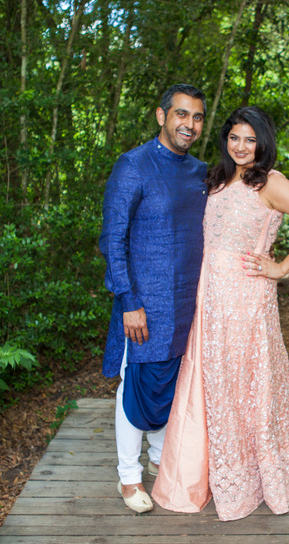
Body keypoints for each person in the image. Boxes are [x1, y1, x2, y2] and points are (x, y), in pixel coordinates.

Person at [152, 106, 289, 521]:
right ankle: (205, 471)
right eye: (235, 137)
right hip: (209, 297)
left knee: (245, 381)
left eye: (251, 139)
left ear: (263, 142)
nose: (242, 146)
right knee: (211, 382)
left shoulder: (271, 182)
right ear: (225, 140)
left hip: (246, 299)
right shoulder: (217, 178)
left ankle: (253, 473)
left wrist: (281, 268)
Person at [99, 84, 207, 513]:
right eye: (182, 114)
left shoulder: (200, 172)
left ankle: (164, 461)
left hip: (188, 303)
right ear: (161, 116)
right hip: (144, 305)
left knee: (174, 385)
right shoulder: (133, 166)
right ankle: (129, 477)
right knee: (138, 388)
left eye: (197, 117)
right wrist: (128, 300)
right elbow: (112, 239)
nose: (190, 124)